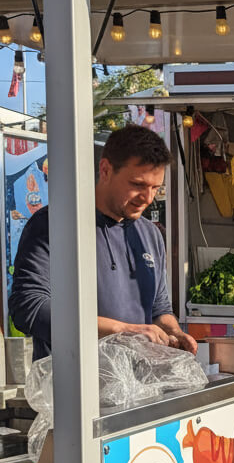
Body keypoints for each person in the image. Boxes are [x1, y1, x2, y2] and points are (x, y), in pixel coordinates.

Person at [9, 124, 196, 360]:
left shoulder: (150, 234)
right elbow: (29, 309)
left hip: (139, 389)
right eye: (137, 184)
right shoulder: (54, 225)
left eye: (155, 188)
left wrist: (174, 333)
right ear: (106, 170)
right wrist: (125, 331)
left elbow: (158, 309)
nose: (147, 198)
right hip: (72, 390)